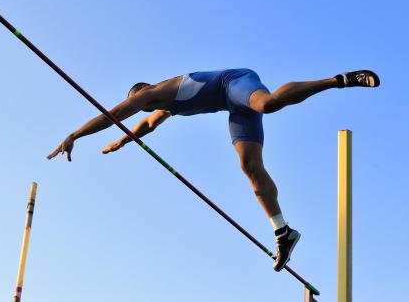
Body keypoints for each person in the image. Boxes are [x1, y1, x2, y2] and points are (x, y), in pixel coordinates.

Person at [47, 68, 379, 271]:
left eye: (139, 103)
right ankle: (283, 231)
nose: (142, 108)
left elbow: (114, 114)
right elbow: (145, 126)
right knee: (250, 168)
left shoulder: (152, 93)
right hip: (232, 106)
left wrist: (75, 134)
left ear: (141, 92)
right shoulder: (162, 107)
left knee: (269, 103)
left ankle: (341, 79)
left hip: (237, 82)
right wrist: (121, 144)